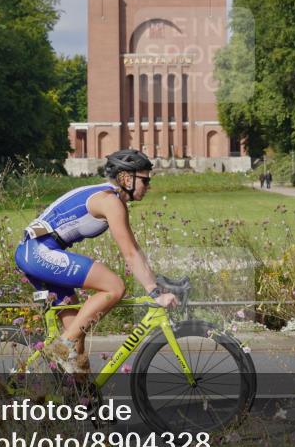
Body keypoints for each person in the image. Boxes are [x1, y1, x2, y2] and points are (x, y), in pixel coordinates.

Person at [14, 149, 179, 376]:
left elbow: (135, 250)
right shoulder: (110, 202)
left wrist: (155, 284)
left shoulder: (111, 198)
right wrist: (154, 293)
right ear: (126, 178)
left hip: (36, 252)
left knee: (76, 339)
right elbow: (129, 253)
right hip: (38, 251)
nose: (148, 186)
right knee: (114, 287)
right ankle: (61, 348)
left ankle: (84, 404)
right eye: (145, 180)